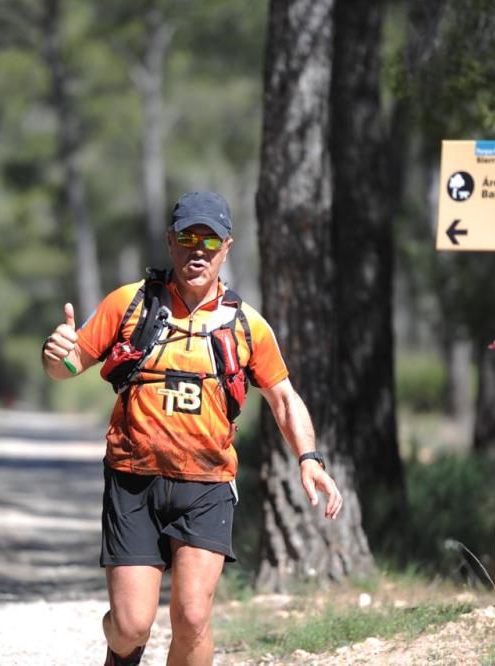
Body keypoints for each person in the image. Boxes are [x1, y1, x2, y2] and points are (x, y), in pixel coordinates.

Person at [41, 191, 343, 666]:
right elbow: (68, 365)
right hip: (133, 481)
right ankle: (117, 640)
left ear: (227, 247)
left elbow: (284, 398)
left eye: (209, 240)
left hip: (207, 487)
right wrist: (54, 353)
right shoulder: (130, 304)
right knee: (131, 626)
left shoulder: (247, 326)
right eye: (187, 238)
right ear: (170, 242)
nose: (197, 250)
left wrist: (309, 458)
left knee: (192, 616)